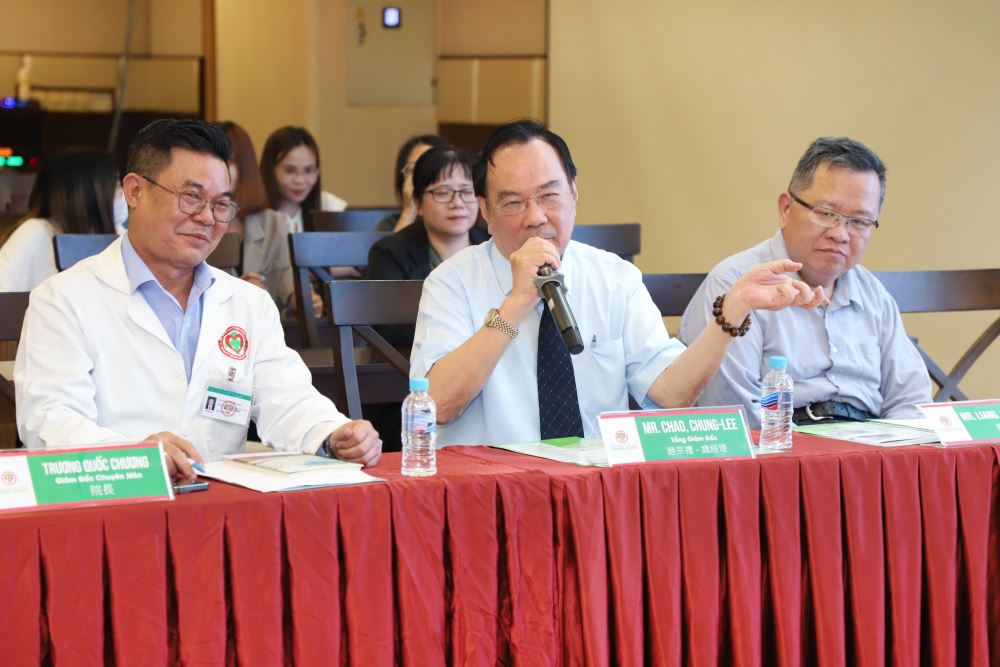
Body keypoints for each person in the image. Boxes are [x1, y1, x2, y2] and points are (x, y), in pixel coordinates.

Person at [409, 119, 825, 446]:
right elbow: (438, 405)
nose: (535, 217)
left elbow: (671, 394)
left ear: (574, 194)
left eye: (549, 196)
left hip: (595, 489)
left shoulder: (614, 278)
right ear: (485, 211)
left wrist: (733, 310)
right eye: (513, 202)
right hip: (494, 493)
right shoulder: (452, 282)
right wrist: (516, 303)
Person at [15, 119, 381, 481]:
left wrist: (334, 433)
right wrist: (138, 455)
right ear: (135, 191)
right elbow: (49, 422)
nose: (207, 217)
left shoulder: (248, 303)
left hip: (221, 504)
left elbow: (288, 399)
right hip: (118, 500)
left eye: (221, 204)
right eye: (191, 197)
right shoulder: (62, 300)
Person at [679, 136, 931, 428]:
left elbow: (912, 401)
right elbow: (732, 413)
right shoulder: (735, 285)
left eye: (859, 222)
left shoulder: (873, 294)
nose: (840, 234)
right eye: (826, 214)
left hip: (871, 444)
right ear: (786, 209)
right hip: (780, 445)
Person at [367, 147, 490, 346]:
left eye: (467, 191)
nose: (457, 203)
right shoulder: (389, 253)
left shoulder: (493, 244)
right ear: (417, 203)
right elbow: (390, 330)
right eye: (443, 192)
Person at [0, 149, 123, 291]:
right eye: (117, 186)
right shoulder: (36, 232)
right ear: (87, 197)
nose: (124, 194)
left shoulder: (121, 235)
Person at [217, 121, 295, 311]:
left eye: (228, 161)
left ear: (244, 166)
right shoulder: (194, 221)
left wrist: (305, 300)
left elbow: (288, 287)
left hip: (261, 325)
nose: (217, 170)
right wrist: (239, 290)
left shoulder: (274, 223)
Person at [260, 126, 347, 234]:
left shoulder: (330, 207)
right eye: (290, 170)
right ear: (270, 170)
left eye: (308, 170)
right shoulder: (253, 213)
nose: (300, 180)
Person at [375, 134, 449, 232]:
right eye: (416, 169)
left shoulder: (459, 218)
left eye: (432, 168)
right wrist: (408, 212)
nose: (424, 177)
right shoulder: (390, 224)